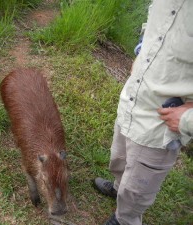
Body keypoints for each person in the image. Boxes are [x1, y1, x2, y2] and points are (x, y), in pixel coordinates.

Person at [94, 0, 193, 224]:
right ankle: (119, 189)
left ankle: (125, 218)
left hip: (162, 124)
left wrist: (188, 119)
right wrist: (141, 49)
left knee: (140, 184)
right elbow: (158, 23)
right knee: (120, 157)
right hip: (134, 100)